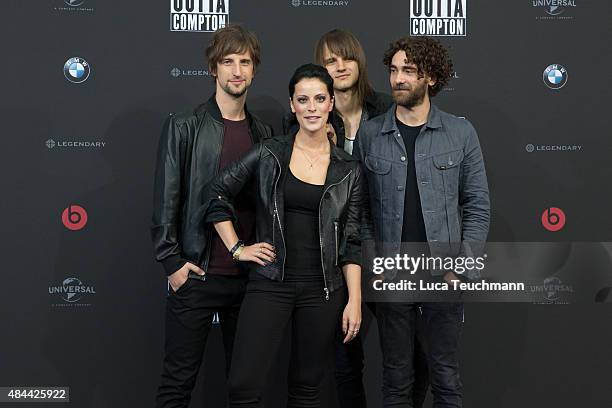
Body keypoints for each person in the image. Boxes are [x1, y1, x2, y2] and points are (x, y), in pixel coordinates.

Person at [199, 64, 366, 408]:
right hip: (270, 283)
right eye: (303, 99)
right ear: (292, 104)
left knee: (306, 389)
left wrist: (354, 300)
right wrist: (237, 248)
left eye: (320, 99)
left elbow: (352, 240)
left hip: (323, 290)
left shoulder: (349, 169)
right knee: (243, 385)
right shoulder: (269, 152)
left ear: (331, 103)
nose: (311, 107)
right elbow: (216, 193)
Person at [355, 36, 490, 407]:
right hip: (393, 275)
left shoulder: (461, 133)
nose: (398, 79)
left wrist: (461, 268)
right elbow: (362, 209)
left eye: (408, 71)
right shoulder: (371, 135)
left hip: (442, 274)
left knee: (445, 377)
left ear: (430, 77)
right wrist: (374, 266)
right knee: (396, 379)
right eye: (394, 70)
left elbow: (477, 205)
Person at [151, 25, 273, 407]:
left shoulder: (264, 133)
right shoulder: (184, 125)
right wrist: (173, 263)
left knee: (245, 390)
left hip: (248, 283)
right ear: (213, 69)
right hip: (197, 274)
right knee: (177, 385)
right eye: (228, 61)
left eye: (245, 62)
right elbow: (166, 200)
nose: (237, 70)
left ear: (254, 70)